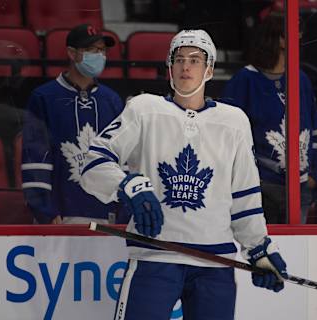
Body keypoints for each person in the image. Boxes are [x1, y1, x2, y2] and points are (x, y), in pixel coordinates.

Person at [80, 29, 288, 320]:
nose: (186, 66)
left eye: (195, 59)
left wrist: (259, 249)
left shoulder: (234, 121)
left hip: (215, 263)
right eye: (178, 59)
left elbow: (245, 196)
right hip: (155, 257)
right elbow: (93, 162)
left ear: (210, 69)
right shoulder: (143, 110)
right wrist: (126, 185)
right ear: (169, 67)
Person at [222, 12, 317, 224]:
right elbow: (227, 134)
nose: (300, 36)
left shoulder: (301, 79)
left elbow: (314, 129)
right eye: (294, 31)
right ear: (279, 38)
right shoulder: (245, 80)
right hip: (262, 187)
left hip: (300, 187)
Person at [21, 24, 125, 224]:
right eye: (90, 50)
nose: (98, 55)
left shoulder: (111, 101)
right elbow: (35, 158)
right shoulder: (44, 97)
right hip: (60, 217)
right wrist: (46, 212)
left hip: (107, 218)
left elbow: (122, 159)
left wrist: (123, 212)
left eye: (102, 50)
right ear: (71, 53)